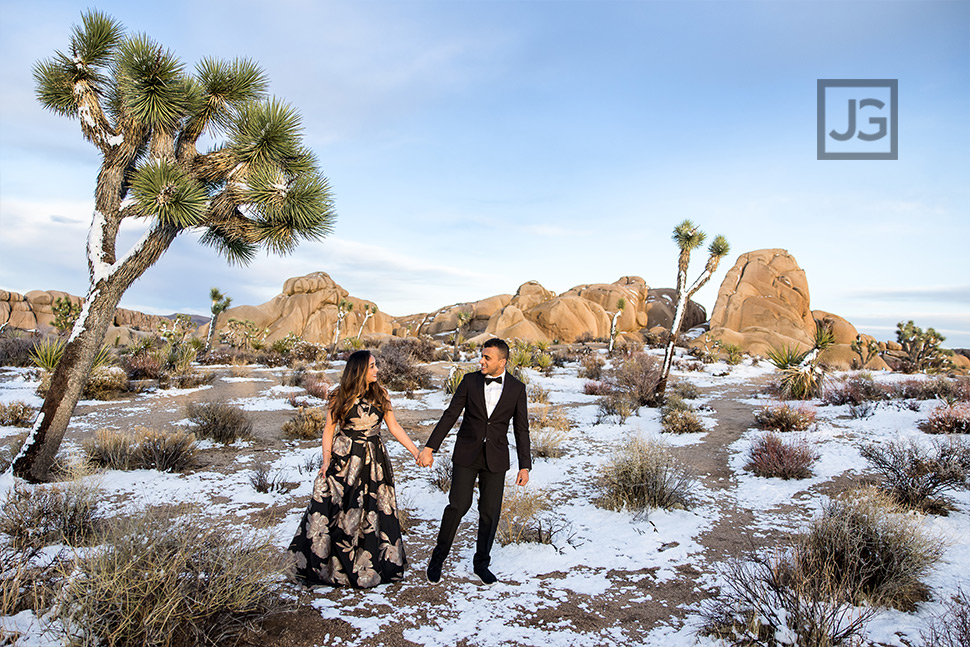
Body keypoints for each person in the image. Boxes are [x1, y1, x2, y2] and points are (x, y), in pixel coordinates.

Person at [289, 350, 422, 588]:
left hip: (374, 459)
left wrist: (415, 451)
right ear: (359, 369)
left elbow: (393, 426)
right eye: (372, 366)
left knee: (373, 509)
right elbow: (329, 429)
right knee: (342, 508)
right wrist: (326, 460)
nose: (377, 370)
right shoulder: (339, 395)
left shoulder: (381, 394)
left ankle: (369, 562)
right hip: (345, 458)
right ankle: (334, 563)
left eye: (376, 365)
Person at [418, 337, 531, 585]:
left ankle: (481, 564)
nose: (481, 360)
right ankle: (437, 560)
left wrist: (525, 465)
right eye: (481, 356)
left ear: (502, 362)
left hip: (496, 458)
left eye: (487, 357)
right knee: (458, 506)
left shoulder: (517, 389)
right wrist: (430, 447)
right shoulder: (469, 381)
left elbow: (521, 429)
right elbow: (450, 415)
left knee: (489, 513)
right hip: (467, 454)